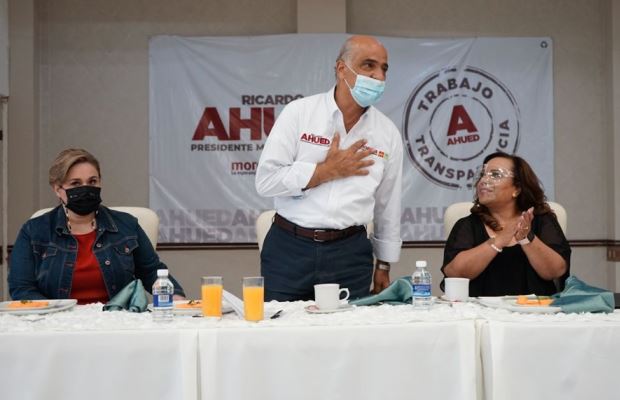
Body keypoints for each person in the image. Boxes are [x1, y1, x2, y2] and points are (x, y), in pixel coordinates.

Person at [255, 35, 403, 301]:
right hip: (289, 249)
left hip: (350, 254)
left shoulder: (387, 133)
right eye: (369, 65)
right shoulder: (299, 113)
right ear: (341, 69)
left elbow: (388, 204)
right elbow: (267, 181)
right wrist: (325, 171)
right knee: (280, 327)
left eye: (384, 68)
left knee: (348, 328)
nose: (379, 76)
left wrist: (384, 264)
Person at [9, 148, 186, 304]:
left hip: (117, 319)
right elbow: (21, 288)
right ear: (57, 189)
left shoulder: (127, 225)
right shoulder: (34, 230)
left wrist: (177, 298)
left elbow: (152, 272)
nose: (86, 188)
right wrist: (57, 313)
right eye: (75, 183)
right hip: (56, 322)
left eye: (92, 181)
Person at [441, 152, 570, 296]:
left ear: (517, 189)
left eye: (495, 175)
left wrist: (526, 238)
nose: (484, 180)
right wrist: (498, 241)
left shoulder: (541, 221)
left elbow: (555, 271)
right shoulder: (467, 225)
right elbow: (455, 273)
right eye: (482, 175)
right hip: (478, 309)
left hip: (533, 308)